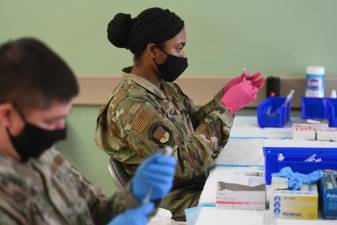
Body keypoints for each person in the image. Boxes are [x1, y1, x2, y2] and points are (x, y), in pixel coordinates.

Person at [95, 7, 265, 221]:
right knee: (253, 209)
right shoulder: (133, 107)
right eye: (178, 48)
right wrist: (227, 107)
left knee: (262, 190)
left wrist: (225, 94)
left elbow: (193, 125)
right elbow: (183, 163)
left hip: (193, 184)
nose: (183, 56)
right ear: (153, 51)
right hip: (172, 201)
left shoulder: (164, 88)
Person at [0, 37, 177, 225]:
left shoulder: (45, 155)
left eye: (64, 117)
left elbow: (95, 210)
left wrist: (135, 195)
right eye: (50, 121)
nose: (61, 130)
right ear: (7, 115)